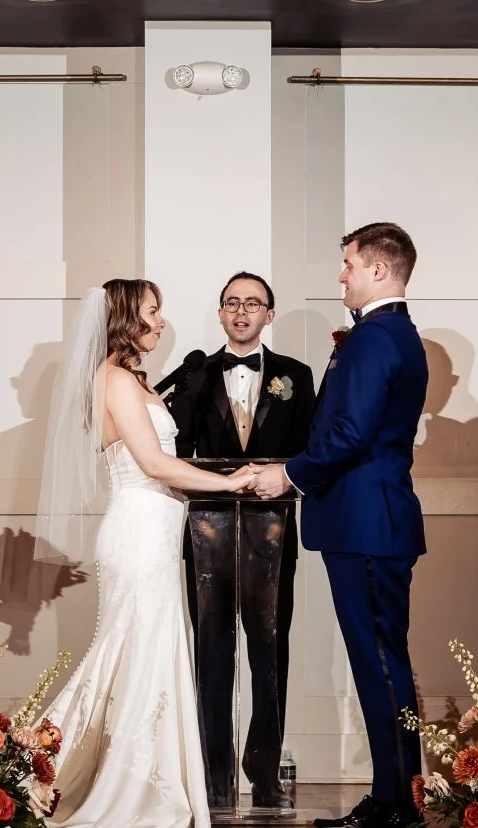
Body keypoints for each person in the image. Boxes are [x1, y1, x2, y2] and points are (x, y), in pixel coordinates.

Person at [37, 279, 261, 828]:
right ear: (123, 319)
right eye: (152, 312)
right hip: (138, 533)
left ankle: (141, 778)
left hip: (155, 529)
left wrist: (195, 487)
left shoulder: (128, 380)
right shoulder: (113, 381)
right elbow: (155, 466)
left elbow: (161, 471)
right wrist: (233, 483)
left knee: (139, 653)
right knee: (129, 652)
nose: (161, 322)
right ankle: (49, 770)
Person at [251, 223, 428, 828]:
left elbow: (350, 434)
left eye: (348, 263)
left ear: (379, 270)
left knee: (380, 663)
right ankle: (393, 795)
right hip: (364, 522)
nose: (340, 274)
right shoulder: (384, 335)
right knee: (379, 662)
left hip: (367, 523)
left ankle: (399, 802)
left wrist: (289, 476)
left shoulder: (379, 338)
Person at [165, 272, 315, 808]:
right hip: (205, 525)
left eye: (253, 303)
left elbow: (308, 448)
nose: (242, 312)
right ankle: (213, 772)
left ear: (269, 314)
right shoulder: (195, 375)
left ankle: (265, 767)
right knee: (211, 647)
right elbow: (175, 445)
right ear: (221, 312)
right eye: (232, 303)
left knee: (270, 646)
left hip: (272, 526)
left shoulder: (296, 375)